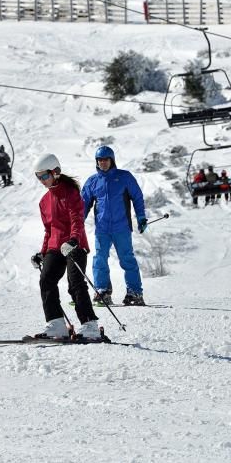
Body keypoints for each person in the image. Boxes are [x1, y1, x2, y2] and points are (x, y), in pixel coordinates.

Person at [30, 153, 101, 340]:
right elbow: (48, 230)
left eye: (44, 176)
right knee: (46, 280)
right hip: (55, 246)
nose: (41, 180)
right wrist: (42, 252)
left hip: (73, 243)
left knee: (75, 283)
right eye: (38, 177)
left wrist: (74, 240)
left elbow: (77, 218)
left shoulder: (71, 192)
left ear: (56, 172)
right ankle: (56, 325)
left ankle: (90, 325)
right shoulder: (44, 201)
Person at [81, 145, 148, 306]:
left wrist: (141, 217)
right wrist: (77, 223)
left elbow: (137, 197)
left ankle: (135, 292)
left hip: (121, 227)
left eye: (106, 159)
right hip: (102, 229)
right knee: (99, 259)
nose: (103, 163)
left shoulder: (124, 177)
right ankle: (103, 291)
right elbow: (83, 205)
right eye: (100, 160)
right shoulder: (92, 181)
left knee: (127, 259)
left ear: (112, 160)